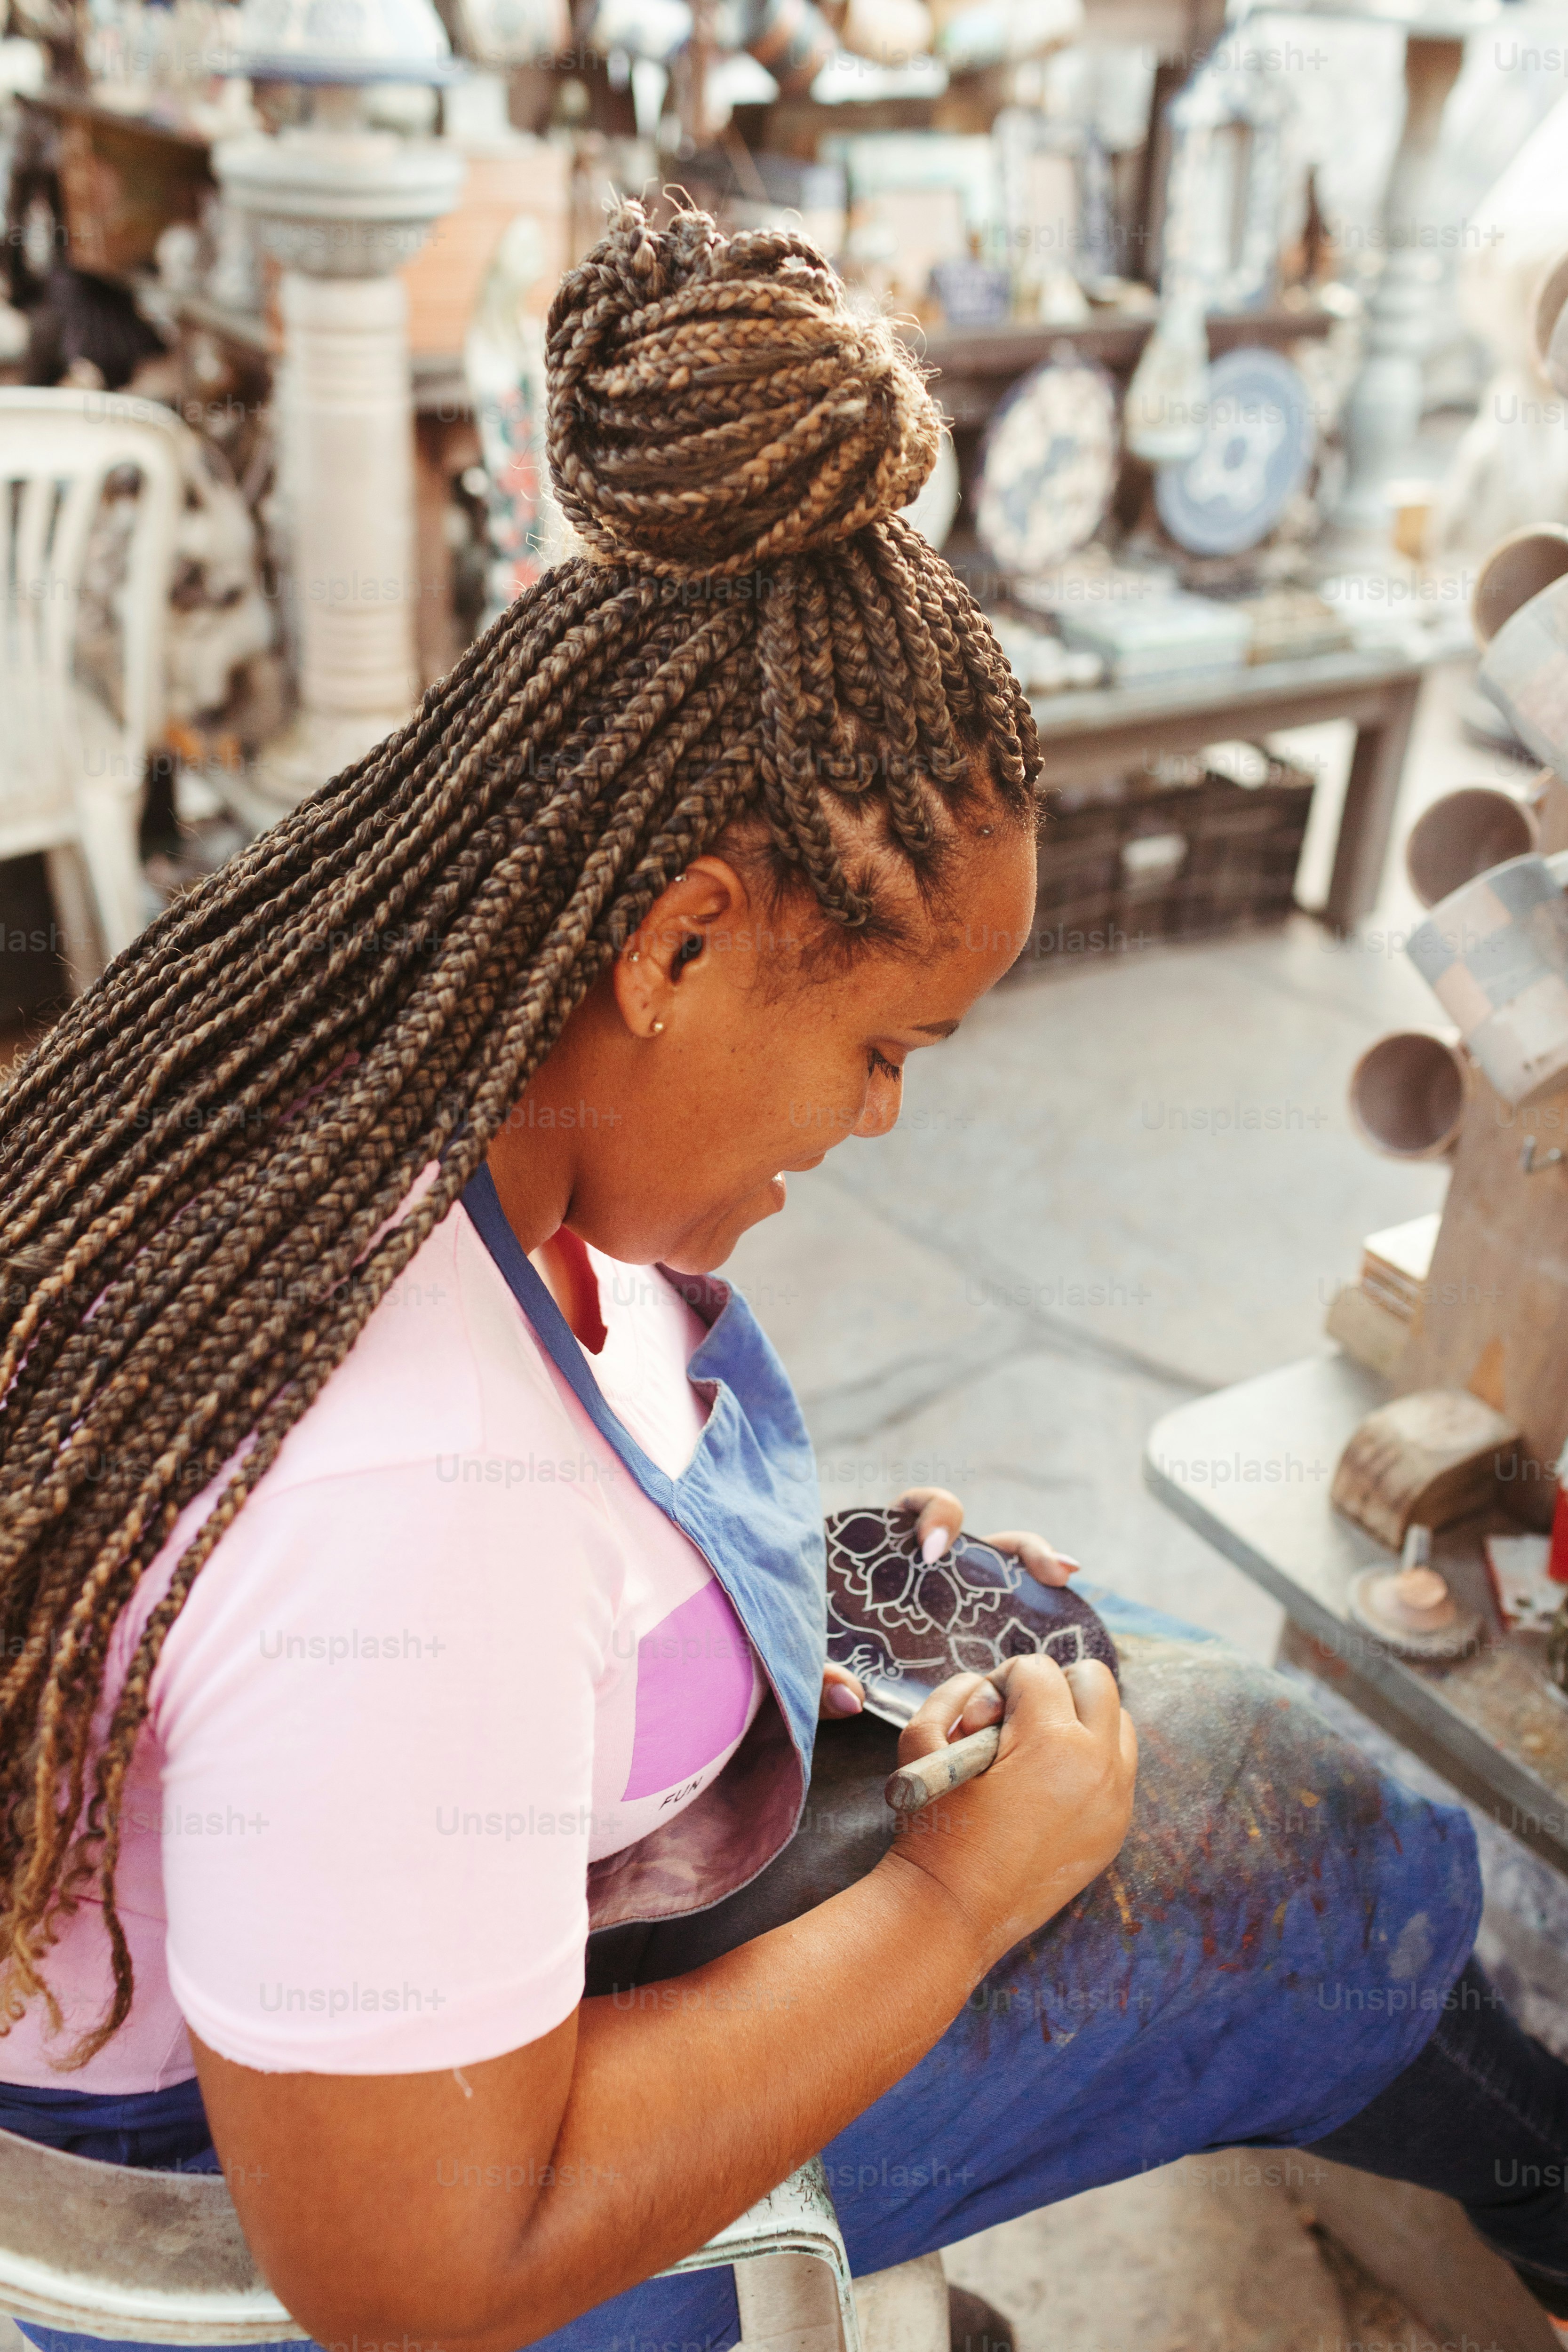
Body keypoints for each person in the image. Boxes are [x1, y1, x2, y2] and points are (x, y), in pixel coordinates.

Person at [1, 202, 1567, 2352]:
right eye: (883, 1045)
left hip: (393, 1935)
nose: (882, 1121)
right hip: (375, 2170)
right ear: (678, 942)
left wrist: (769, 1595)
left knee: (1158, 1669)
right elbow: (411, 2263)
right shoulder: (402, 1482)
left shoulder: (351, 1053)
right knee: (1331, 1847)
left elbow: (401, 1645)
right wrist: (950, 1890)